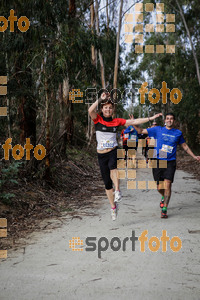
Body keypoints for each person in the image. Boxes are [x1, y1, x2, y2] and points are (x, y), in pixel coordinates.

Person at [88, 92, 162, 221]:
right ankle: (113, 207)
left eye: (110, 108)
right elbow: (90, 110)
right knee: (106, 184)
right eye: (106, 108)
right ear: (102, 109)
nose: (108, 110)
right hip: (101, 154)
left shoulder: (117, 121)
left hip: (113, 151)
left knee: (113, 167)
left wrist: (150, 118)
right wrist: (100, 99)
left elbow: (134, 121)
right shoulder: (97, 120)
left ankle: (118, 190)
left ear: (112, 110)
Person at [135, 113, 200, 218]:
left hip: (170, 161)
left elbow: (184, 145)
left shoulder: (178, 133)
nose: (169, 120)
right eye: (167, 118)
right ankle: (163, 196)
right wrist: (134, 123)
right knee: (159, 187)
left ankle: (164, 209)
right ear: (165, 120)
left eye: (171, 119)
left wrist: (194, 156)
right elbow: (140, 131)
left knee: (168, 184)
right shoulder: (157, 130)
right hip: (158, 160)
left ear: (174, 121)